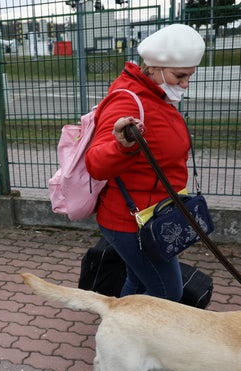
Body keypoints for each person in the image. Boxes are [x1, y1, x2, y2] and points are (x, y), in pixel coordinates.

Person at [85, 24, 205, 301]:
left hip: (154, 213)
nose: (185, 84)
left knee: (138, 281)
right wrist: (121, 146)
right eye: (180, 76)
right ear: (155, 68)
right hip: (134, 222)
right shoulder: (128, 101)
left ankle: (123, 332)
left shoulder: (155, 95)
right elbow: (96, 163)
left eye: (190, 76)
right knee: (167, 292)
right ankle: (140, 339)